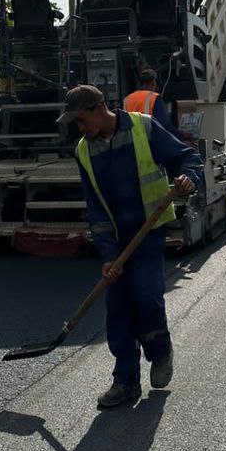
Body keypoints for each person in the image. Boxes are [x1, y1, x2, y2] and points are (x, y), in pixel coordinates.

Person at [58, 84, 203, 410]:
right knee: (118, 308)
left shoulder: (143, 127)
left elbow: (185, 156)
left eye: (81, 121)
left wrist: (188, 177)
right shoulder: (84, 150)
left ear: (98, 109)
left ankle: (160, 351)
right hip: (117, 238)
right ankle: (125, 381)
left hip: (149, 231)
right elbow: (95, 207)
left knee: (146, 296)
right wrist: (108, 256)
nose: (80, 130)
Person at [123, 69, 178, 134]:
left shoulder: (127, 99)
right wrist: (181, 134)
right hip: (148, 140)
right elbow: (163, 125)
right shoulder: (154, 97)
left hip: (132, 140)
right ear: (153, 82)